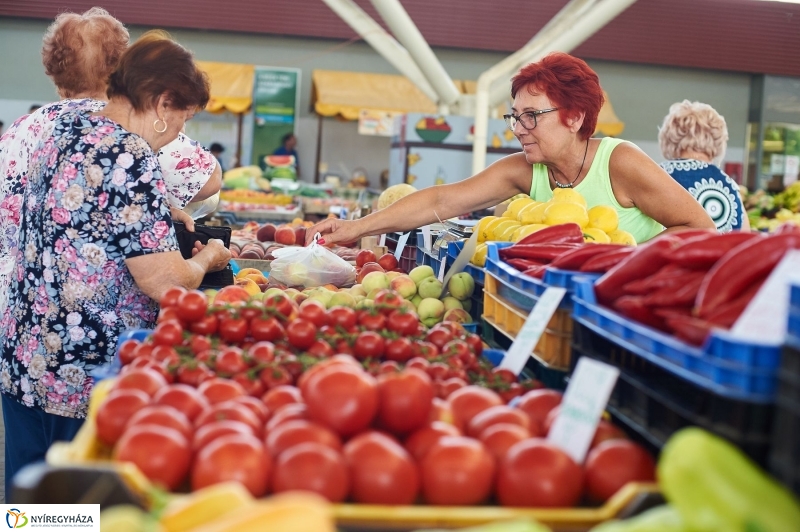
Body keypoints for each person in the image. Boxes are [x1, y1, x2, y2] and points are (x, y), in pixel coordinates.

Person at [0, 31, 230, 497]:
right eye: (184, 117)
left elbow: (82, 210)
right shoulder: (133, 155)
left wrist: (160, 209)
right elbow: (167, 283)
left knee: (28, 499)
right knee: (76, 505)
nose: (180, 131)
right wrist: (208, 258)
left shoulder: (59, 130)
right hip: (82, 371)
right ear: (164, 103)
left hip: (26, 354)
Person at [307, 52, 714, 247]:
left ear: (575, 117)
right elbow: (444, 199)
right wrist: (355, 229)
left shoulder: (620, 162)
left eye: (531, 116)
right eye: (514, 116)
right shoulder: (526, 169)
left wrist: (621, 258)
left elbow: (699, 227)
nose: (519, 129)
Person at [658, 100, 750, 232]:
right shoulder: (730, 186)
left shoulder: (659, 173)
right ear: (719, 139)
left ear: (668, 137)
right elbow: (745, 237)